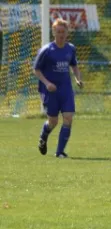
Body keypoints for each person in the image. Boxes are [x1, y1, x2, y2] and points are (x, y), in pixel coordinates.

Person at [34, 18, 83, 158]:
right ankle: (44, 136)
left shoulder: (70, 48)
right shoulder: (46, 50)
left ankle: (60, 152)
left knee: (68, 118)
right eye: (58, 31)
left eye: (63, 31)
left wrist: (77, 78)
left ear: (67, 33)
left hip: (66, 89)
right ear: (54, 32)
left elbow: (74, 65)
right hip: (50, 91)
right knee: (53, 121)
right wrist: (47, 83)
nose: (61, 34)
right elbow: (36, 70)